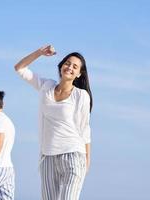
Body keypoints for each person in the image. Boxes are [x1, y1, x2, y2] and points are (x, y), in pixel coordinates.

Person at [14, 45, 93, 200]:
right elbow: (20, 68)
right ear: (61, 65)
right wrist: (39, 53)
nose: (70, 67)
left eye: (75, 67)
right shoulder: (46, 86)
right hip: (48, 158)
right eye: (67, 63)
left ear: (79, 74)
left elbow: (85, 130)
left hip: (73, 156)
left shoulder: (81, 96)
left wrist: (87, 161)